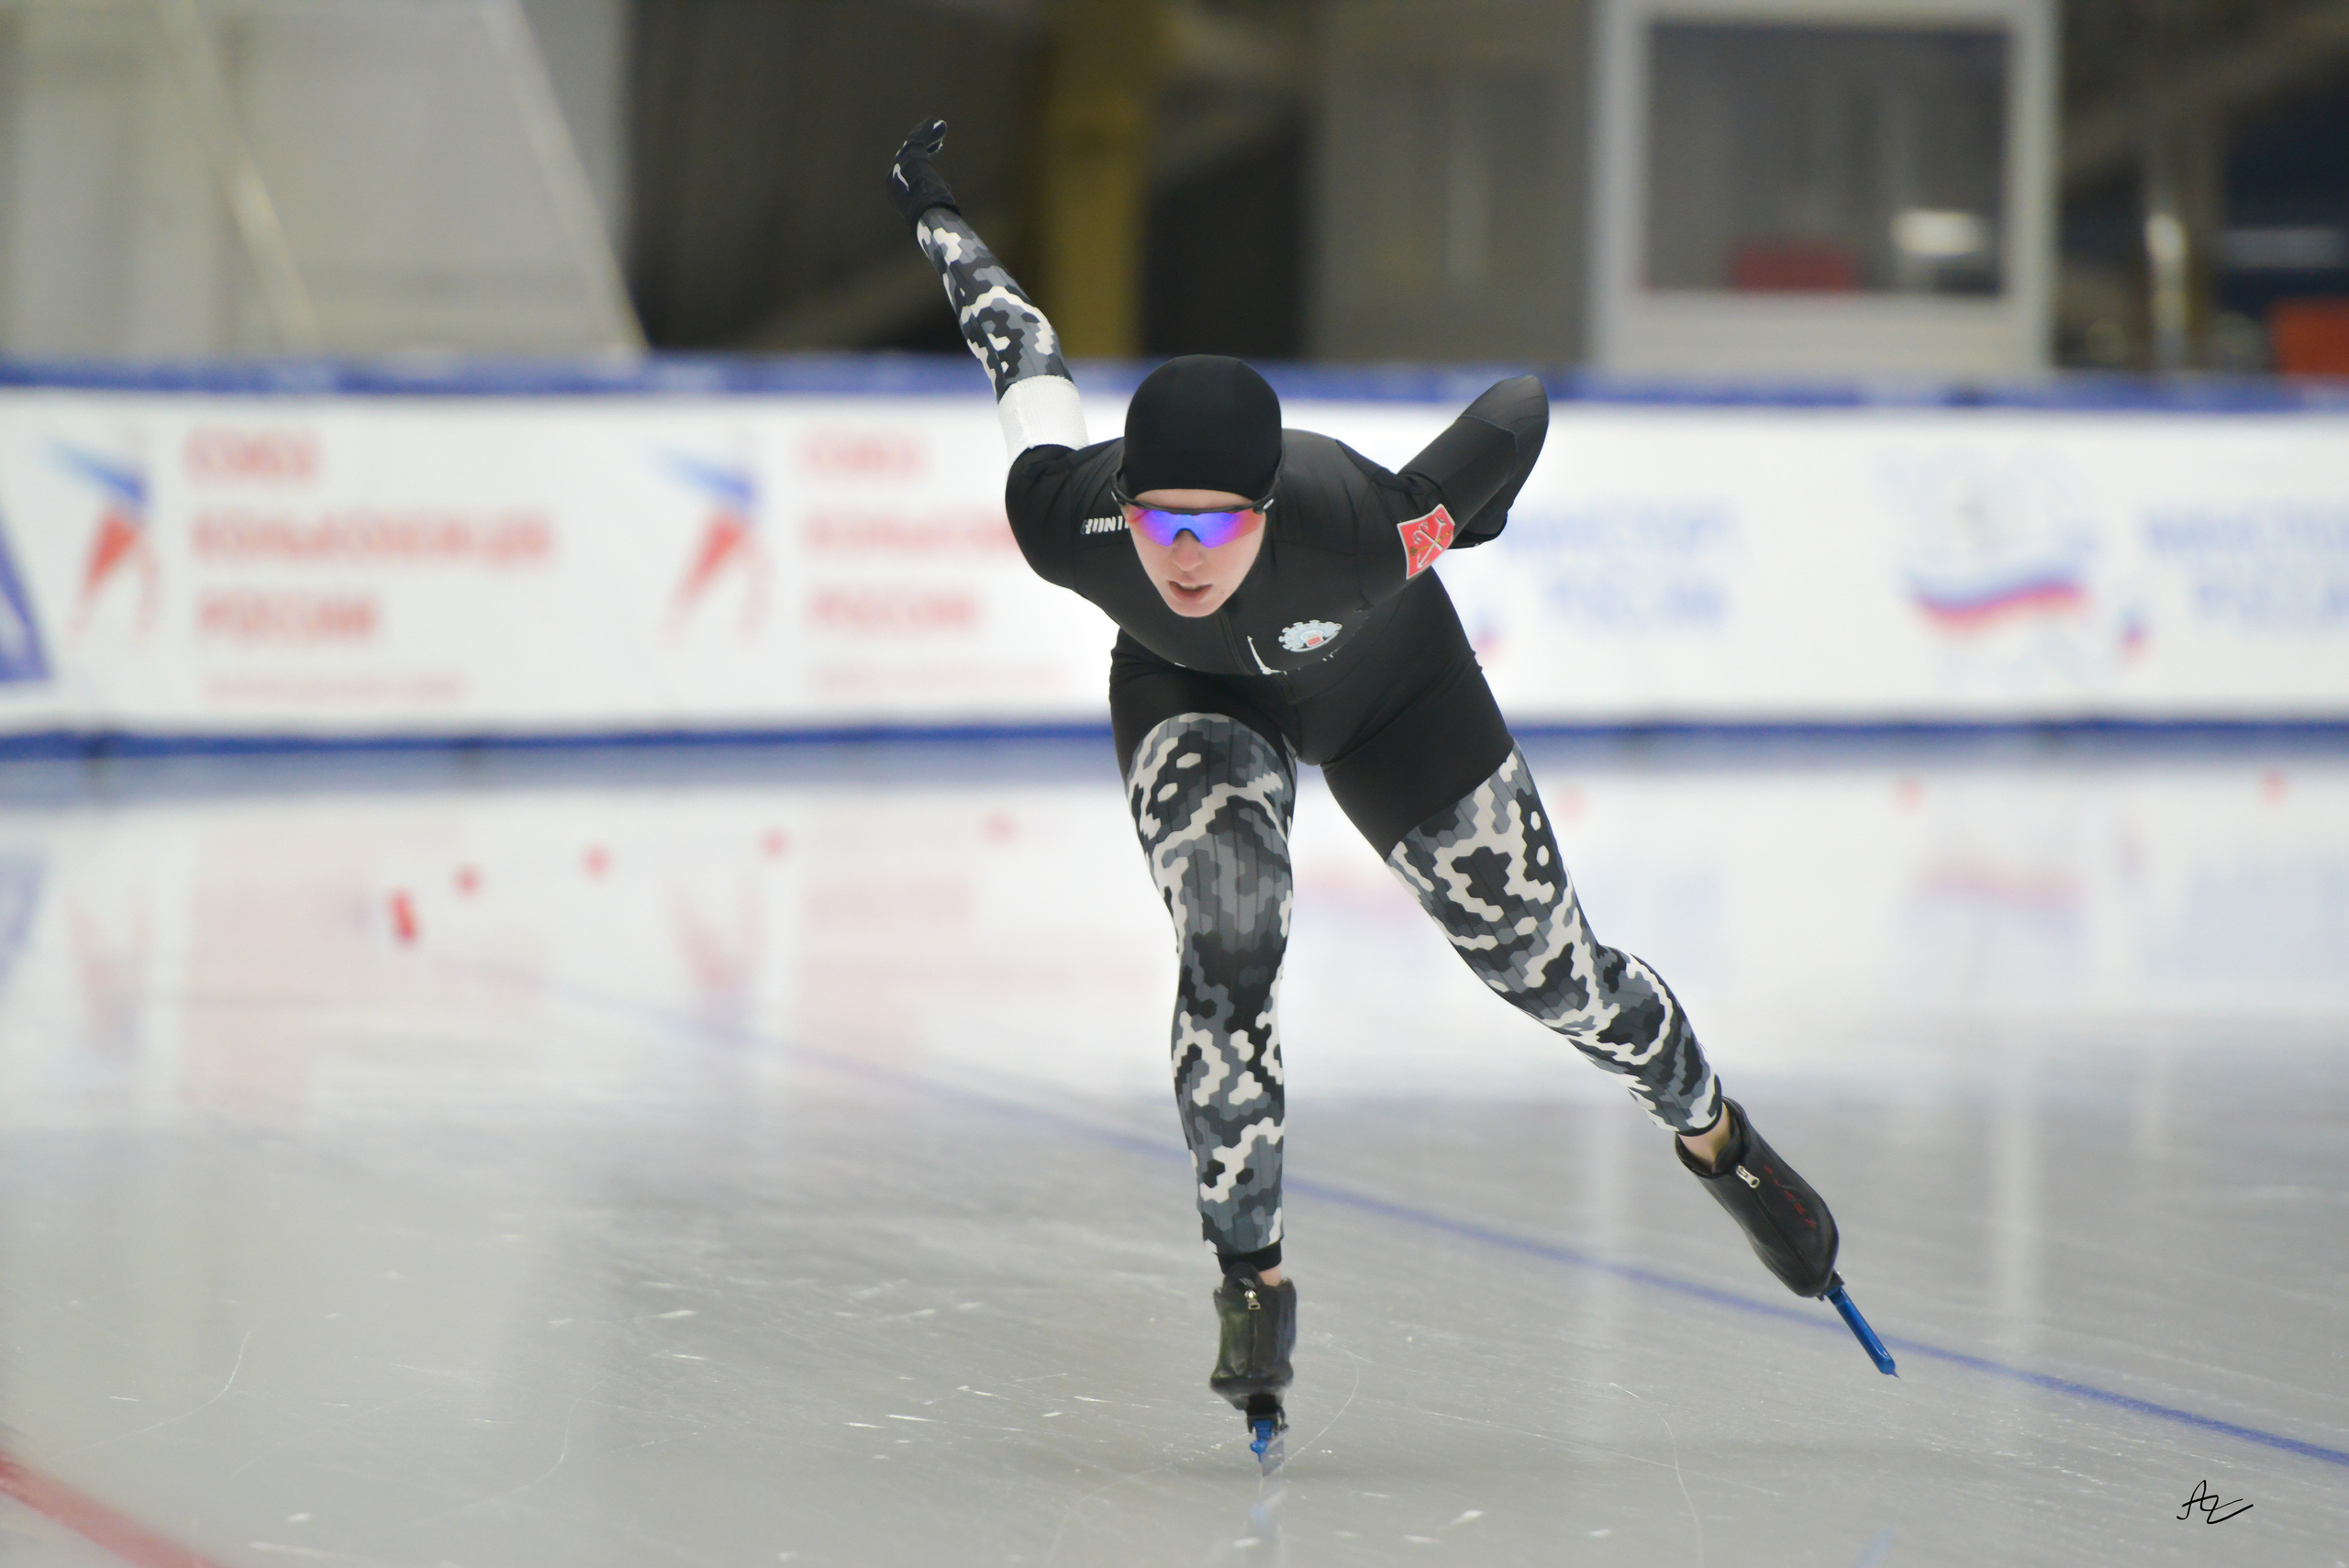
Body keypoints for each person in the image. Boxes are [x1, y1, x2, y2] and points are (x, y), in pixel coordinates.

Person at [886, 119, 1846, 1457]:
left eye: (1217, 523)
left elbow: (1516, 408)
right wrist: (938, 208)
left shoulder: (1360, 528)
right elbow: (1019, 353)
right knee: (1229, 939)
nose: (1184, 553)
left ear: (1272, 508)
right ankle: (1251, 1279)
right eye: (1162, 520)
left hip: (1395, 689)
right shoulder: (1073, 519)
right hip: (1195, 698)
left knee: (1549, 971)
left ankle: (1717, 1136)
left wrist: (1466, 506)